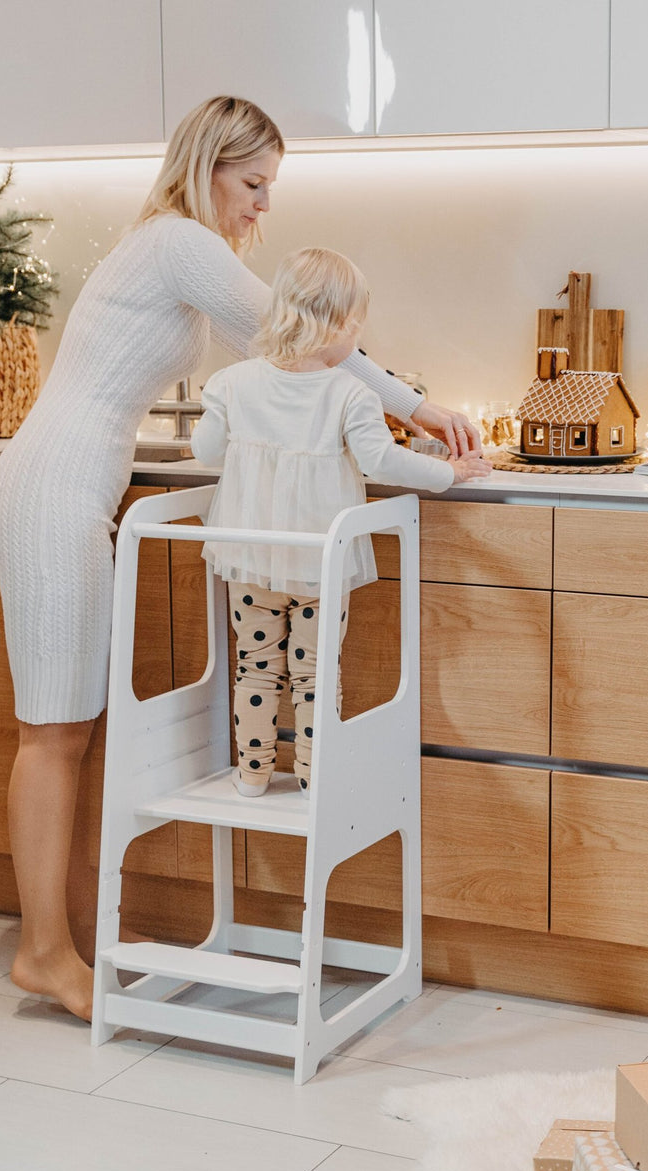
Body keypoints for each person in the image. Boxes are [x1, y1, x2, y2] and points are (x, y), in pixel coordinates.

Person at [0, 96, 489, 1022]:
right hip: (49, 491)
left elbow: (287, 356)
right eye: (252, 184)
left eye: (269, 190)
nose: (261, 207)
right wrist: (419, 408)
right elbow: (303, 340)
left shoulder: (167, 245)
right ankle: (45, 954)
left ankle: (70, 940)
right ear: (209, 164)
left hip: (63, 490)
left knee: (72, 732)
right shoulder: (178, 240)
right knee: (52, 733)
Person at [192, 247, 487, 796]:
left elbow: (206, 450)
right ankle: (312, 777)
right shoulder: (350, 393)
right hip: (319, 565)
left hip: (249, 557)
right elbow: (382, 461)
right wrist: (450, 470)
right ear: (341, 326)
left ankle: (251, 775)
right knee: (314, 673)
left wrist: (223, 417)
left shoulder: (232, 382)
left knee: (254, 666)